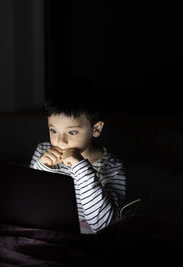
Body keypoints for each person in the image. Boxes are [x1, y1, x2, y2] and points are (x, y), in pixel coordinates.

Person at [30, 80, 126, 234]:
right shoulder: (43, 151)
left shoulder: (111, 167)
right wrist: (41, 167)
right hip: (46, 231)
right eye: (53, 130)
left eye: (72, 132)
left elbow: (104, 226)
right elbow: (30, 201)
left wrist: (81, 168)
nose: (60, 141)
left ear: (96, 129)